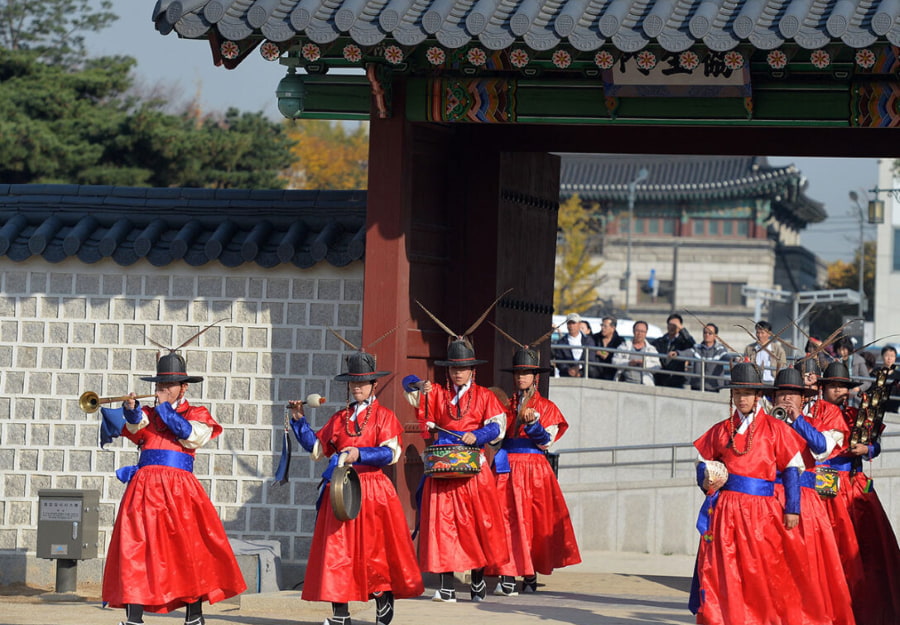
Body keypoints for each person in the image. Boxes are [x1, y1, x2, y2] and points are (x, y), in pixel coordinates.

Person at [100, 352, 246, 625]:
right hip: (144, 489)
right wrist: (131, 409)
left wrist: (164, 408)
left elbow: (189, 435)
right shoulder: (148, 413)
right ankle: (134, 618)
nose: (162, 390)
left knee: (187, 550)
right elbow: (135, 427)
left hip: (179, 490)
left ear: (184, 387)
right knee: (135, 548)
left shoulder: (197, 414)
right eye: (160, 385)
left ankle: (194, 617)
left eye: (168, 385)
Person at [288, 350, 424, 625]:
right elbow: (318, 448)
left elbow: (390, 453)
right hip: (340, 489)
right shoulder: (340, 418)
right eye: (353, 382)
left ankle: (382, 596)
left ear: (374, 385)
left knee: (374, 550)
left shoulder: (385, 416)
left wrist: (359, 454)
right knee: (337, 550)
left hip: (372, 490)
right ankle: (340, 614)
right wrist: (298, 420)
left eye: (362, 382)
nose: (357, 387)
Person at [690, 362, 815, 625]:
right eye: (737, 393)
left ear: (758, 395)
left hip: (762, 511)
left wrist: (792, 508)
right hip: (725, 509)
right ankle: (724, 618)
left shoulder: (775, 428)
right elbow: (703, 464)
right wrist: (707, 478)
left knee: (761, 568)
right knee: (725, 566)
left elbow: (791, 469)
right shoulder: (722, 429)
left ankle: (761, 618)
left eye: (747, 393)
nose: (742, 399)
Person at [405, 336, 511, 603]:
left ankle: (477, 580)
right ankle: (446, 586)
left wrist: (478, 435)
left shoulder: (485, 396)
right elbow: (407, 382)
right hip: (442, 470)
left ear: (472, 370)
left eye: (463, 368)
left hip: (473, 470)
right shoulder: (437, 393)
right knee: (442, 527)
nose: (458, 373)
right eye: (453, 368)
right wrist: (419, 384)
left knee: (476, 526)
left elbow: (497, 426)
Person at [487, 346, 581, 596]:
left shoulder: (547, 407)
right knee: (504, 521)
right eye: (518, 373)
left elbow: (546, 442)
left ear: (535, 377)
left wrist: (533, 425)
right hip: (505, 468)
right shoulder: (504, 405)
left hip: (533, 471)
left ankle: (529, 573)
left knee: (532, 523)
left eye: (526, 373)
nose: (521, 378)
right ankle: (507, 575)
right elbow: (496, 440)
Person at [769, 367, 856, 625]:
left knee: (806, 564)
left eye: (793, 394)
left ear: (803, 398)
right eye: (782, 393)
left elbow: (821, 449)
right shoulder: (764, 422)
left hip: (806, 500)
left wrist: (798, 420)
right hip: (769, 500)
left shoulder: (818, 419)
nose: (786, 399)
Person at [818, 361, 900, 624]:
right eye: (833, 386)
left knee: (868, 549)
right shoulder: (814, 415)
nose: (839, 391)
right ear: (823, 389)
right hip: (825, 486)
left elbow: (875, 445)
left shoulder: (857, 414)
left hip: (855, 485)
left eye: (842, 387)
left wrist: (867, 450)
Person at [681, 323, 729, 392]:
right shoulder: (697, 347)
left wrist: (734, 359)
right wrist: (677, 353)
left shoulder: (720, 349)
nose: (707, 335)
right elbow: (687, 353)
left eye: (710, 333)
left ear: (715, 336)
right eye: (705, 333)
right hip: (697, 386)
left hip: (712, 387)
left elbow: (726, 357)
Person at [651, 313, 695, 388]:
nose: (672, 327)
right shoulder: (660, 341)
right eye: (670, 325)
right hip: (660, 379)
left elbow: (693, 346)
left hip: (676, 380)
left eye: (675, 325)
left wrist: (682, 330)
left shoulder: (683, 342)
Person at [612, 320, 660, 385]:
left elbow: (657, 367)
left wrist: (644, 364)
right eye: (637, 331)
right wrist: (629, 363)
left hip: (644, 385)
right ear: (633, 331)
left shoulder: (651, 350)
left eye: (642, 331)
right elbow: (614, 361)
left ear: (646, 333)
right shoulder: (624, 346)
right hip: (624, 383)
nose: (639, 333)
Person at [553, 312, 595, 377]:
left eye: (573, 323)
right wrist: (568, 370)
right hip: (566, 375)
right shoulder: (561, 342)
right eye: (569, 323)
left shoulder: (588, 340)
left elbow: (591, 358)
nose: (571, 326)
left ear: (579, 324)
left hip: (585, 374)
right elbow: (559, 360)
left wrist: (579, 368)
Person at [834, 336, 869, 403]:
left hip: (854, 397)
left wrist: (859, 388)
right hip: (838, 394)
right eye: (839, 349)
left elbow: (867, 380)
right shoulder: (834, 360)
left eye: (844, 349)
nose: (841, 352)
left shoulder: (859, 360)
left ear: (849, 348)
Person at [591, 316, 625, 380]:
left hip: (612, 372)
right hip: (595, 371)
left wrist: (606, 355)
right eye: (602, 325)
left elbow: (620, 357)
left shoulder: (620, 341)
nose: (602, 328)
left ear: (613, 328)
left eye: (605, 326)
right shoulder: (595, 338)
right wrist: (599, 352)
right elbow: (590, 350)